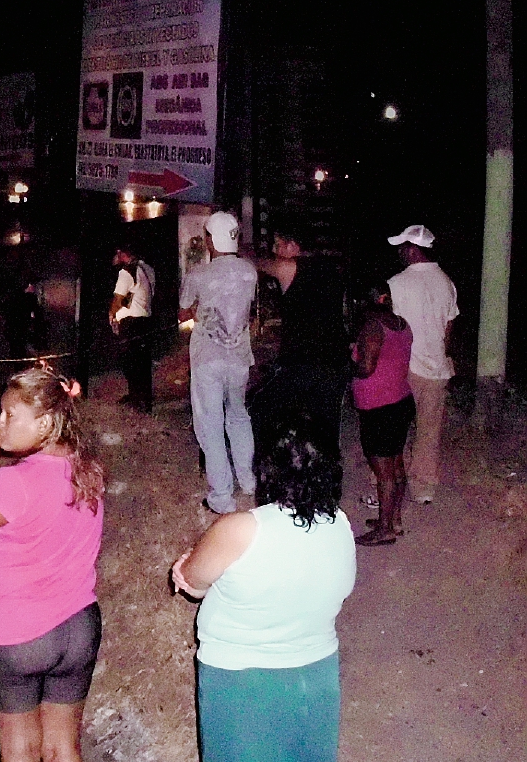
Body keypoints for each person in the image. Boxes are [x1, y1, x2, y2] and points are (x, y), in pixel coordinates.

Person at [171, 428, 356, 762]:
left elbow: (193, 584)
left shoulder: (241, 528)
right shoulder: (340, 523)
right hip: (317, 679)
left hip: (242, 683)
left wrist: (183, 569)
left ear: (267, 472)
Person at [0, 368, 104, 762]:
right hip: (78, 628)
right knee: (63, 748)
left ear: (46, 423)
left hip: (16, 635)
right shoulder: (87, 471)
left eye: (9, 415)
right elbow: (43, 526)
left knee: (20, 750)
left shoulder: (12, 481)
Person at [179, 212, 258, 514]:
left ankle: (222, 495)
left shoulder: (199, 274)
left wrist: (199, 309)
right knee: (238, 416)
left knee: (210, 423)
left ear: (212, 239)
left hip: (207, 357)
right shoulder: (249, 272)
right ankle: (248, 481)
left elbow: (184, 311)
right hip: (238, 355)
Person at [251, 225, 350, 461]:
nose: (275, 250)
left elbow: (261, 264)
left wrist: (241, 252)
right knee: (327, 425)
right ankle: (327, 483)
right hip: (334, 358)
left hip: (305, 361)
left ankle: (281, 469)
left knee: (264, 410)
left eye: (278, 244)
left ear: (293, 246)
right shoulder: (332, 269)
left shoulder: (289, 267)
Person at [386, 225, 459, 505]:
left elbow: (389, 329)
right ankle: (423, 487)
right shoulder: (447, 283)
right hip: (436, 368)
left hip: (405, 369)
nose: (400, 253)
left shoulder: (395, 284)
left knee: (394, 431)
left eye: (403, 248)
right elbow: (449, 328)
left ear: (413, 250)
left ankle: (388, 484)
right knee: (429, 430)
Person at [351, 281, 415, 545]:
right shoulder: (401, 323)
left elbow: (366, 368)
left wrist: (348, 363)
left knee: (384, 471)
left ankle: (385, 529)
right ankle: (393, 519)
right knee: (396, 465)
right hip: (400, 400)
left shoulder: (373, 327)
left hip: (379, 407)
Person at [108, 242, 156, 412]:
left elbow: (118, 299)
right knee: (142, 361)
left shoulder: (126, 272)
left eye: (117, 253)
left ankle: (136, 398)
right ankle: (144, 398)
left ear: (122, 253)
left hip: (131, 323)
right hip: (145, 320)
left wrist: (112, 316)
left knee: (130, 362)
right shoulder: (148, 269)